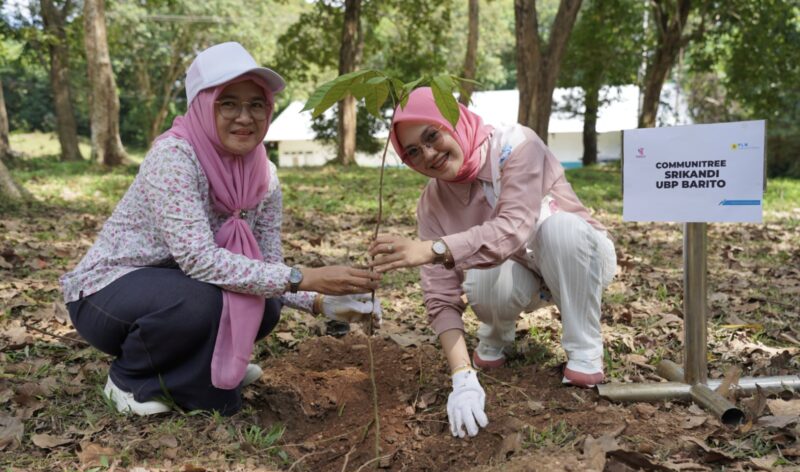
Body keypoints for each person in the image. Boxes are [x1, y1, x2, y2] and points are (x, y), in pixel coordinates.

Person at [61, 42, 381, 417]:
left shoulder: (264, 173)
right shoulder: (175, 157)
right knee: (201, 302)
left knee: (266, 303)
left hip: (176, 286)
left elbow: (266, 264)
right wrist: (307, 278)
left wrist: (321, 302)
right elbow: (199, 260)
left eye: (256, 104)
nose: (244, 117)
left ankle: (200, 371)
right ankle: (130, 379)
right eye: (228, 103)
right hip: (108, 292)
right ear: (201, 105)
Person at [368, 87, 616, 438]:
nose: (428, 154)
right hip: (522, 273)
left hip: (580, 258)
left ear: (453, 120)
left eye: (432, 136)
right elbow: (440, 295)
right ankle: (496, 334)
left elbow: (512, 229)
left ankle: (584, 348)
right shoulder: (432, 203)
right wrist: (462, 377)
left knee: (559, 230)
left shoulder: (517, 145)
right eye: (413, 151)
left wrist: (432, 249)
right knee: (481, 275)